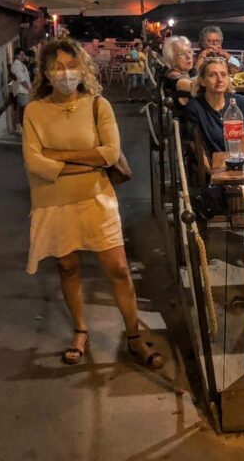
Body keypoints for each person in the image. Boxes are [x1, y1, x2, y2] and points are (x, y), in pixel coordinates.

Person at [22, 38, 163, 369]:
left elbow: (110, 154)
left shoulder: (98, 105)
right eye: (57, 66)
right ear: (44, 71)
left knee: (118, 269)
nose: (65, 73)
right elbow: (34, 163)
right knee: (67, 267)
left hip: (96, 199)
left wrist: (59, 158)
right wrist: (87, 162)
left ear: (83, 68)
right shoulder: (34, 111)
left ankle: (133, 336)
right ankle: (80, 330)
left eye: (72, 65)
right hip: (52, 203)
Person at [185, 59, 244, 164]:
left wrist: (243, 171)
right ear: (202, 81)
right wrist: (214, 175)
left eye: (223, 74)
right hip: (212, 170)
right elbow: (198, 150)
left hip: (239, 165)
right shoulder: (194, 107)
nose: (220, 79)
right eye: (212, 75)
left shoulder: (240, 102)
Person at [161, 35, 195, 111]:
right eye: (182, 54)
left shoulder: (184, 73)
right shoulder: (175, 78)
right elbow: (199, 87)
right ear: (172, 58)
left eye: (189, 52)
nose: (189, 56)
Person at [11, 49, 32, 132]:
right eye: (21, 54)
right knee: (25, 109)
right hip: (22, 91)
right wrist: (30, 89)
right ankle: (23, 127)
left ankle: (19, 126)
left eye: (23, 54)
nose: (23, 56)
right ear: (16, 55)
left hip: (23, 91)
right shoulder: (17, 65)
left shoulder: (21, 64)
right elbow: (22, 80)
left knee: (20, 109)